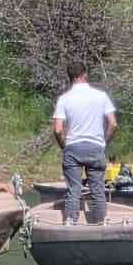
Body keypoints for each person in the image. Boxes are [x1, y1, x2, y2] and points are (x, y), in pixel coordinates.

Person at [52, 64, 117, 224]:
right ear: (85, 75)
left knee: (74, 190)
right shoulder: (101, 96)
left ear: (70, 76)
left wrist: (64, 147)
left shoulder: (64, 99)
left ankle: (70, 224)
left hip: (73, 148)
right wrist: (103, 143)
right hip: (96, 147)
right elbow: (113, 124)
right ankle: (100, 224)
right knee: (98, 191)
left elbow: (58, 130)